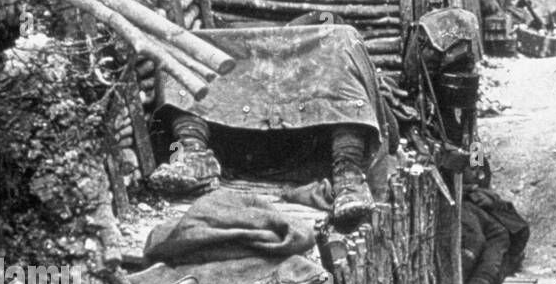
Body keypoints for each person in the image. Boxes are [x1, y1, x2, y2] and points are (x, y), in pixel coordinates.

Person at [148, 22, 397, 228]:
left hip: (314, 144)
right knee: (182, 48)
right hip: (237, 146)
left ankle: (348, 177)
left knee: (341, 42)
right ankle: (193, 156)